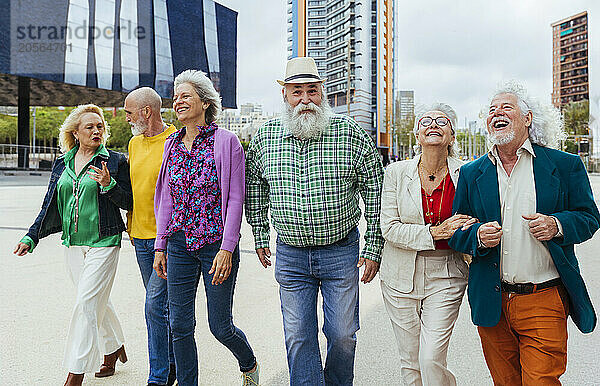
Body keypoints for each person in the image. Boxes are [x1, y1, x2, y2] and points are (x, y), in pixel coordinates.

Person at [449, 81, 600, 385]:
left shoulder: (564, 164)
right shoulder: (470, 173)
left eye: (506, 107)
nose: (496, 113)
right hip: (493, 301)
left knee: (541, 381)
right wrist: (477, 235)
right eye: (491, 110)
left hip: (543, 298)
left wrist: (556, 225)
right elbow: (456, 231)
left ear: (528, 118)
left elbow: (589, 218)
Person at [245, 56, 384, 385]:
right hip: (291, 255)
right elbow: (255, 187)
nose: (305, 99)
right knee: (299, 338)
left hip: (340, 251)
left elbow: (376, 188)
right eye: (296, 92)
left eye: (311, 90)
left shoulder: (350, 133)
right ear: (285, 96)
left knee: (344, 335)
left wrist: (374, 245)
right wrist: (260, 234)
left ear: (323, 92)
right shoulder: (265, 138)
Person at [13, 104, 133, 386]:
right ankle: (114, 347)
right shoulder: (62, 163)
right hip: (73, 244)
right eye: (89, 127)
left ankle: (75, 373)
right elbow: (50, 204)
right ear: (75, 133)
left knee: (86, 303)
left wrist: (109, 185)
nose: (96, 131)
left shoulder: (115, 162)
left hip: (105, 241)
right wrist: (31, 236)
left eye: (99, 126)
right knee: (92, 300)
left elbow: (129, 203)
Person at [153, 70, 259, 386]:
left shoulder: (226, 142)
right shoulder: (171, 144)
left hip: (216, 246)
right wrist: (161, 245)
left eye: (186, 95)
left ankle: (249, 363)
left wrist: (228, 248)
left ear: (204, 100)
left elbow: (236, 197)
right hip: (179, 246)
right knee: (179, 325)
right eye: (176, 96)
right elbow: (167, 198)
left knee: (220, 326)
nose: (179, 100)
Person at [380, 103, 475, 386]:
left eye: (442, 121)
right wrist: (437, 231)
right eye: (426, 121)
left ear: (452, 135)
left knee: (431, 357)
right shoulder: (395, 173)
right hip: (400, 274)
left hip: (446, 273)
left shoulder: (467, 173)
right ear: (417, 134)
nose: (433, 124)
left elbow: (474, 219)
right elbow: (390, 228)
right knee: (410, 362)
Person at [124, 87, 177, 386]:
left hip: (164, 242)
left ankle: (158, 377)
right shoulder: (133, 143)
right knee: (162, 308)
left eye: (130, 112)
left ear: (147, 111)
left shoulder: (174, 141)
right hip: (140, 239)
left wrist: (167, 240)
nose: (127, 117)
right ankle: (171, 364)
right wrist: (131, 226)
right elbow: (135, 190)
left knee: (154, 306)